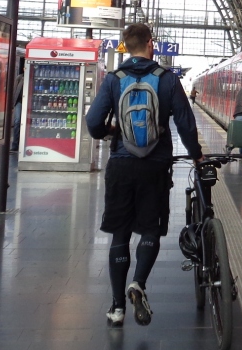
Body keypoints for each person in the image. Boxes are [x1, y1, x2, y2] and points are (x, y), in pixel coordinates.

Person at [86, 23, 202, 327]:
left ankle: (117, 308)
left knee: (120, 233)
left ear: (125, 46)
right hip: (155, 165)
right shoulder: (167, 79)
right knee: (150, 229)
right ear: (151, 43)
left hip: (121, 165)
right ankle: (138, 283)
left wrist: (110, 130)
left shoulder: (114, 79)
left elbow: (93, 122)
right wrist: (196, 154)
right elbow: (185, 122)